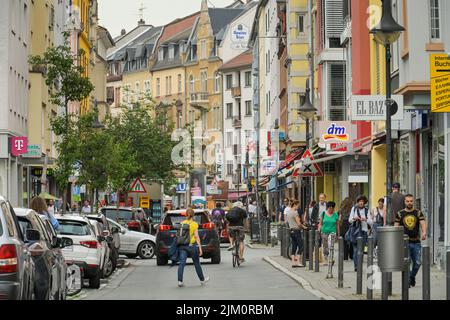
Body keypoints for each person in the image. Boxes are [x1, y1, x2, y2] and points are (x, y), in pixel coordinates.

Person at [395, 194, 427, 288]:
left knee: (417, 263)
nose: (409, 203)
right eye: (407, 201)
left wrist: (424, 232)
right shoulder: (400, 214)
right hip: (404, 243)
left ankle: (412, 277)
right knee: (407, 263)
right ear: (404, 202)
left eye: (411, 201)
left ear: (413, 201)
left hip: (416, 242)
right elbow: (396, 227)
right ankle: (408, 281)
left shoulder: (418, 213)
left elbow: (423, 223)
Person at [177, 208, 210, 287]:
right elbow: (196, 236)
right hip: (192, 246)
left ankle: (180, 281)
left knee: (182, 263)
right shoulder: (194, 224)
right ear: (193, 215)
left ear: (186, 214)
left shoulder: (182, 223)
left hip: (182, 246)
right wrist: (200, 248)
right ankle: (202, 280)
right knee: (196, 263)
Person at [348, 195, 371, 271]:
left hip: (364, 232)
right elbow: (350, 220)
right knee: (355, 250)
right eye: (359, 201)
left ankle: (359, 265)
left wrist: (365, 219)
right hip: (354, 232)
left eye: (362, 201)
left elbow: (371, 222)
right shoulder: (354, 209)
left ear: (364, 202)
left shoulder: (367, 210)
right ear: (357, 202)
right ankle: (356, 266)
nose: (361, 203)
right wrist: (355, 218)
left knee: (361, 250)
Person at [286, 200, 307, 268]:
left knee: (294, 246)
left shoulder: (288, 212)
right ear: (295, 204)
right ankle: (297, 262)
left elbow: (287, 222)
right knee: (301, 246)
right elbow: (298, 223)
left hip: (291, 231)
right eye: (298, 205)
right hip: (296, 231)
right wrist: (304, 227)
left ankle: (293, 263)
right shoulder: (295, 213)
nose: (298, 207)